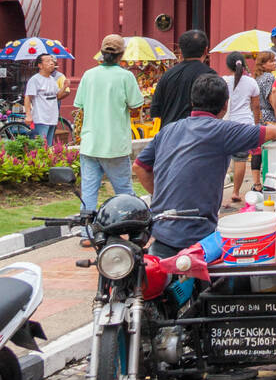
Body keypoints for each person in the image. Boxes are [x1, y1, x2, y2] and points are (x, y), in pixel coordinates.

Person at [133, 73, 276, 257]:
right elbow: (270, 132)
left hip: (161, 228)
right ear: (225, 105)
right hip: (198, 230)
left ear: (192, 102)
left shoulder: (168, 130)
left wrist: (160, 195)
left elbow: (139, 167)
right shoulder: (223, 130)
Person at [74, 33, 144, 243]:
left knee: (88, 192)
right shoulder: (125, 77)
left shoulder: (88, 75)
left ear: (102, 53)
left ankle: (87, 234)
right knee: (124, 191)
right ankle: (133, 231)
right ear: (121, 55)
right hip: (115, 145)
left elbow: (80, 107)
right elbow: (136, 106)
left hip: (90, 143)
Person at [149, 29, 215, 126]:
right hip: (197, 134)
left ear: (180, 51)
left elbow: (155, 110)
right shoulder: (210, 76)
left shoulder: (167, 75)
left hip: (169, 135)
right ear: (206, 50)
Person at [221, 52, 261, 199]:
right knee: (240, 159)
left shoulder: (223, 82)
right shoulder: (251, 82)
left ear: (227, 65)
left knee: (224, 157)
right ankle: (236, 192)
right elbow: (256, 107)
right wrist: (256, 124)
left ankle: (219, 190)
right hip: (245, 125)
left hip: (226, 124)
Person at [23, 52, 69, 145]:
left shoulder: (52, 79)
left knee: (48, 147)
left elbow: (57, 96)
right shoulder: (35, 80)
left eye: (52, 61)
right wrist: (28, 115)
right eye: (48, 61)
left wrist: (64, 87)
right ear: (40, 65)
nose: (51, 63)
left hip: (52, 118)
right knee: (41, 147)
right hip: (41, 119)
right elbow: (28, 97)